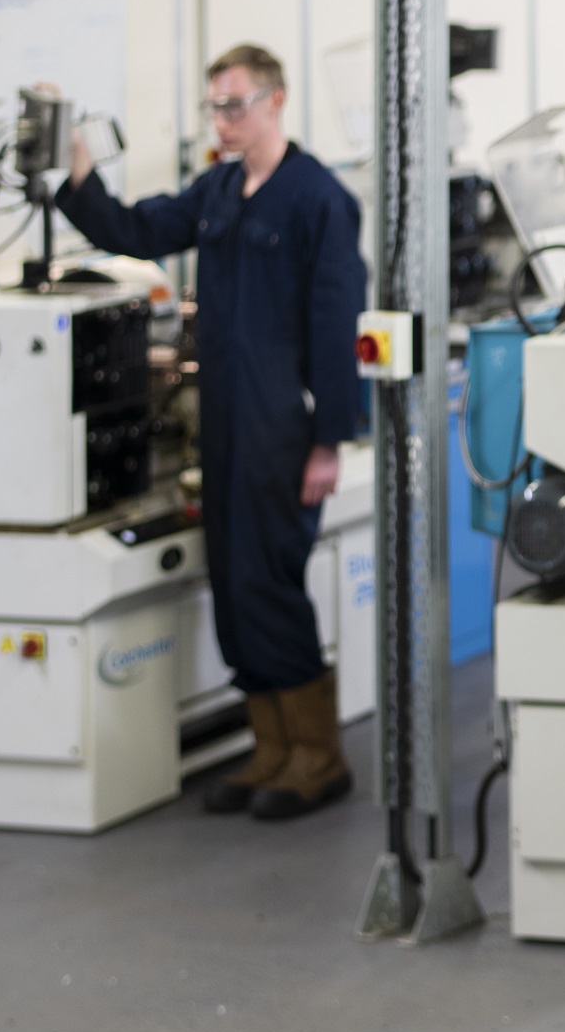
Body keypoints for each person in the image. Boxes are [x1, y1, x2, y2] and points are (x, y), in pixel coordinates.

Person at [57, 44, 367, 822]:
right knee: (230, 581)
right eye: (214, 107)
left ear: (276, 100)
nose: (223, 121)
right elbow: (136, 229)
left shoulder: (318, 198)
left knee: (268, 580)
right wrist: (78, 179)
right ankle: (269, 747)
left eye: (235, 105)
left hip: (283, 421)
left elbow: (337, 323)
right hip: (223, 416)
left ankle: (317, 755)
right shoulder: (218, 189)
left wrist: (330, 439)